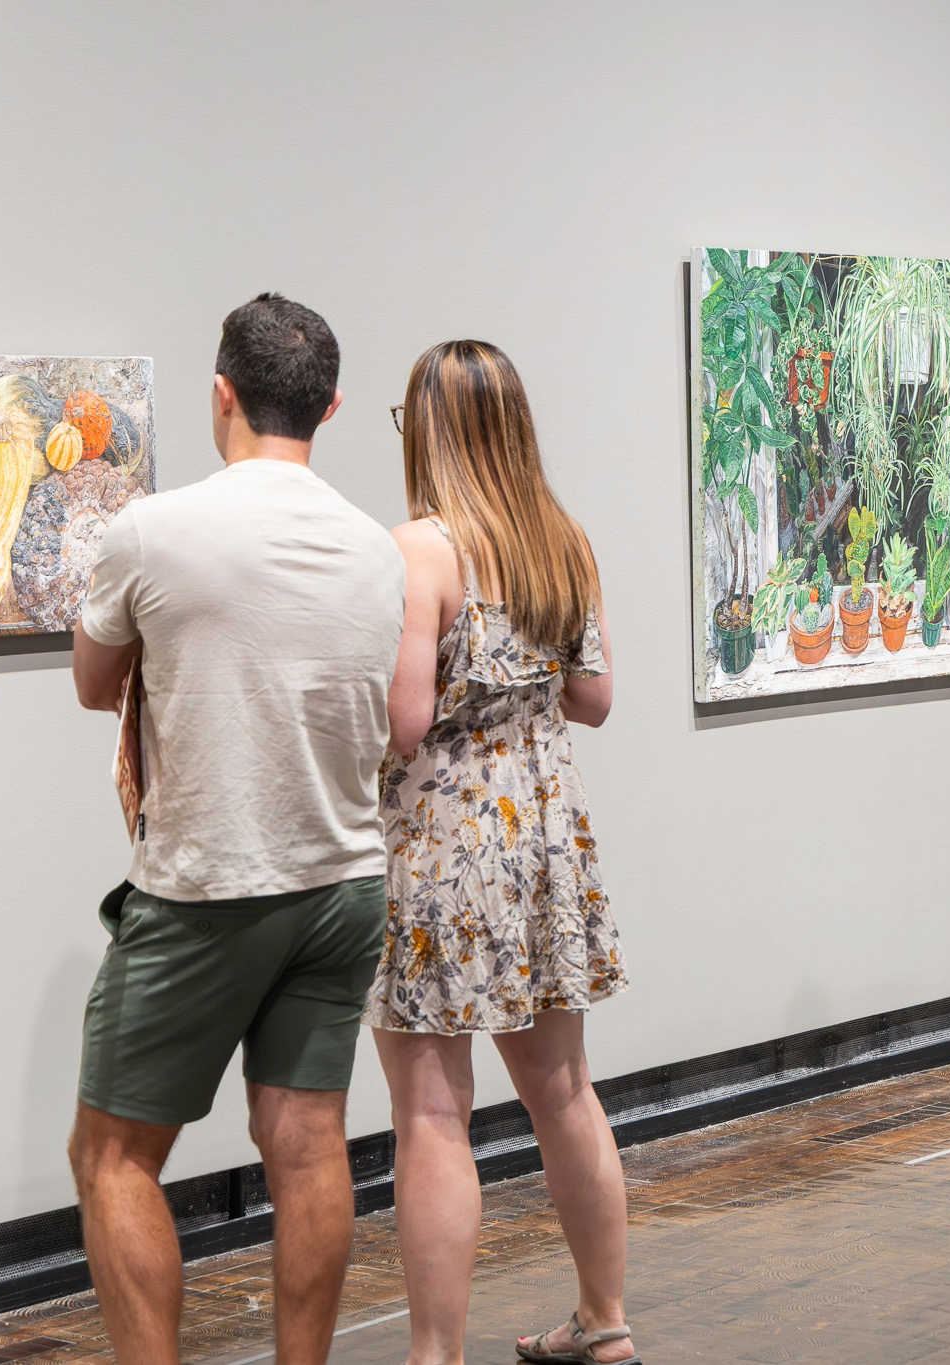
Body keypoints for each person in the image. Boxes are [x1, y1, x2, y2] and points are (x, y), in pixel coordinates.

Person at [68, 294, 405, 1365]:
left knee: (113, 1156)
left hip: (207, 886)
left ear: (222, 393)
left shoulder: (151, 530)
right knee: (306, 1144)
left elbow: (94, 684)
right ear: (330, 407)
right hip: (345, 880)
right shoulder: (375, 548)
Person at [367, 340, 634, 1365]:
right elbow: (594, 699)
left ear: (428, 430)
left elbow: (403, 723)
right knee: (565, 1094)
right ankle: (605, 1321)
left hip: (443, 851)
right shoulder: (562, 540)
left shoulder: (418, 551)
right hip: (546, 842)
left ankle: (435, 1355)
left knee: (433, 1115)